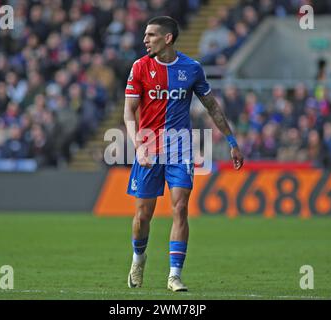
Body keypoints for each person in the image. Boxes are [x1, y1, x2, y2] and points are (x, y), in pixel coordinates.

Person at [123, 16, 244, 292]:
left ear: (168, 38)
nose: (145, 39)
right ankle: (138, 259)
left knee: (180, 208)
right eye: (145, 34)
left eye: (151, 35)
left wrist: (232, 141)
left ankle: (174, 275)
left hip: (180, 149)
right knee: (143, 216)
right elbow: (129, 111)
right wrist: (137, 145)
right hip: (149, 149)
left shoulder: (192, 69)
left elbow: (212, 106)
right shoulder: (140, 67)